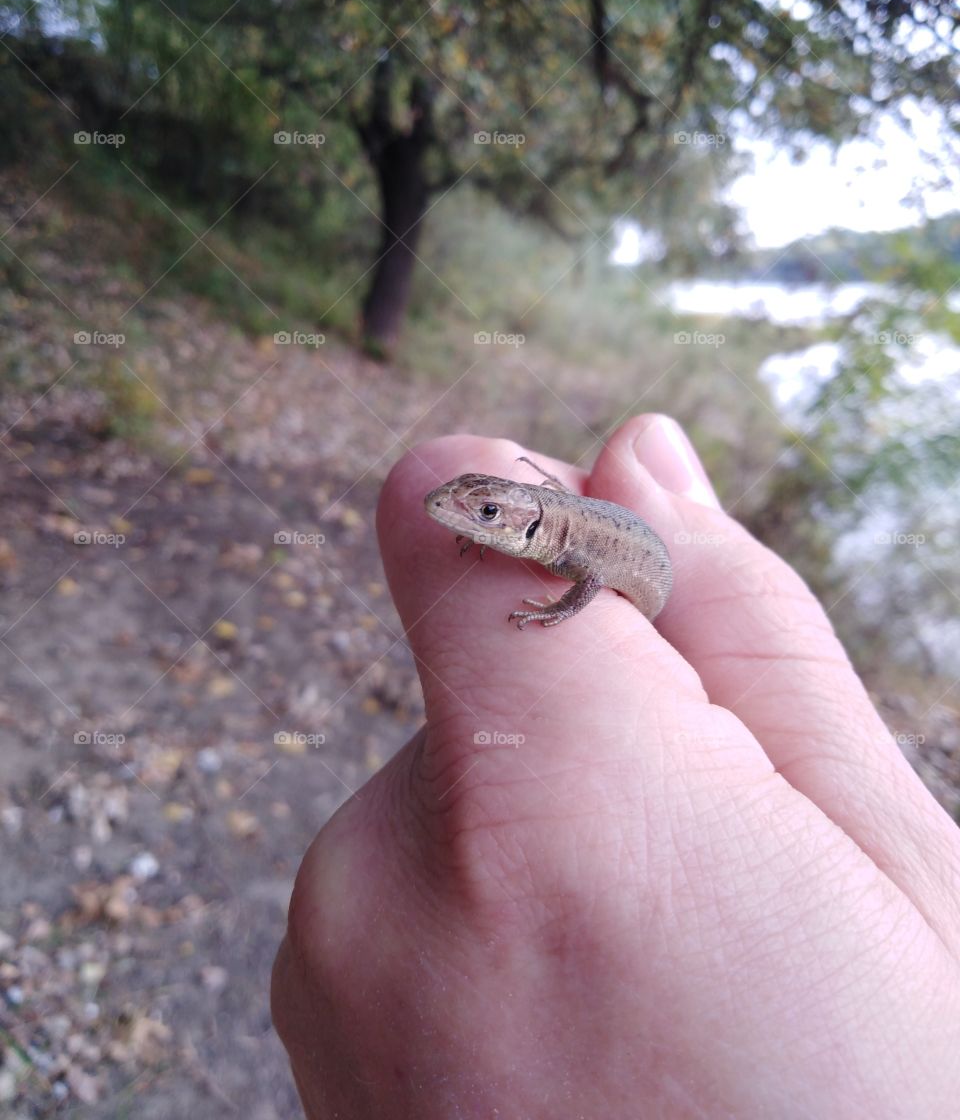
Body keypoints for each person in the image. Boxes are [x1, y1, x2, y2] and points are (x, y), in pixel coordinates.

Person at [272, 415, 960, 1118]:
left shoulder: (577, 555)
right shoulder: (530, 519)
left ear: (534, 527)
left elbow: (592, 576)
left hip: (653, 596)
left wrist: (552, 612)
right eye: (477, 508)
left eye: (484, 514)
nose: (461, 515)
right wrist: (478, 523)